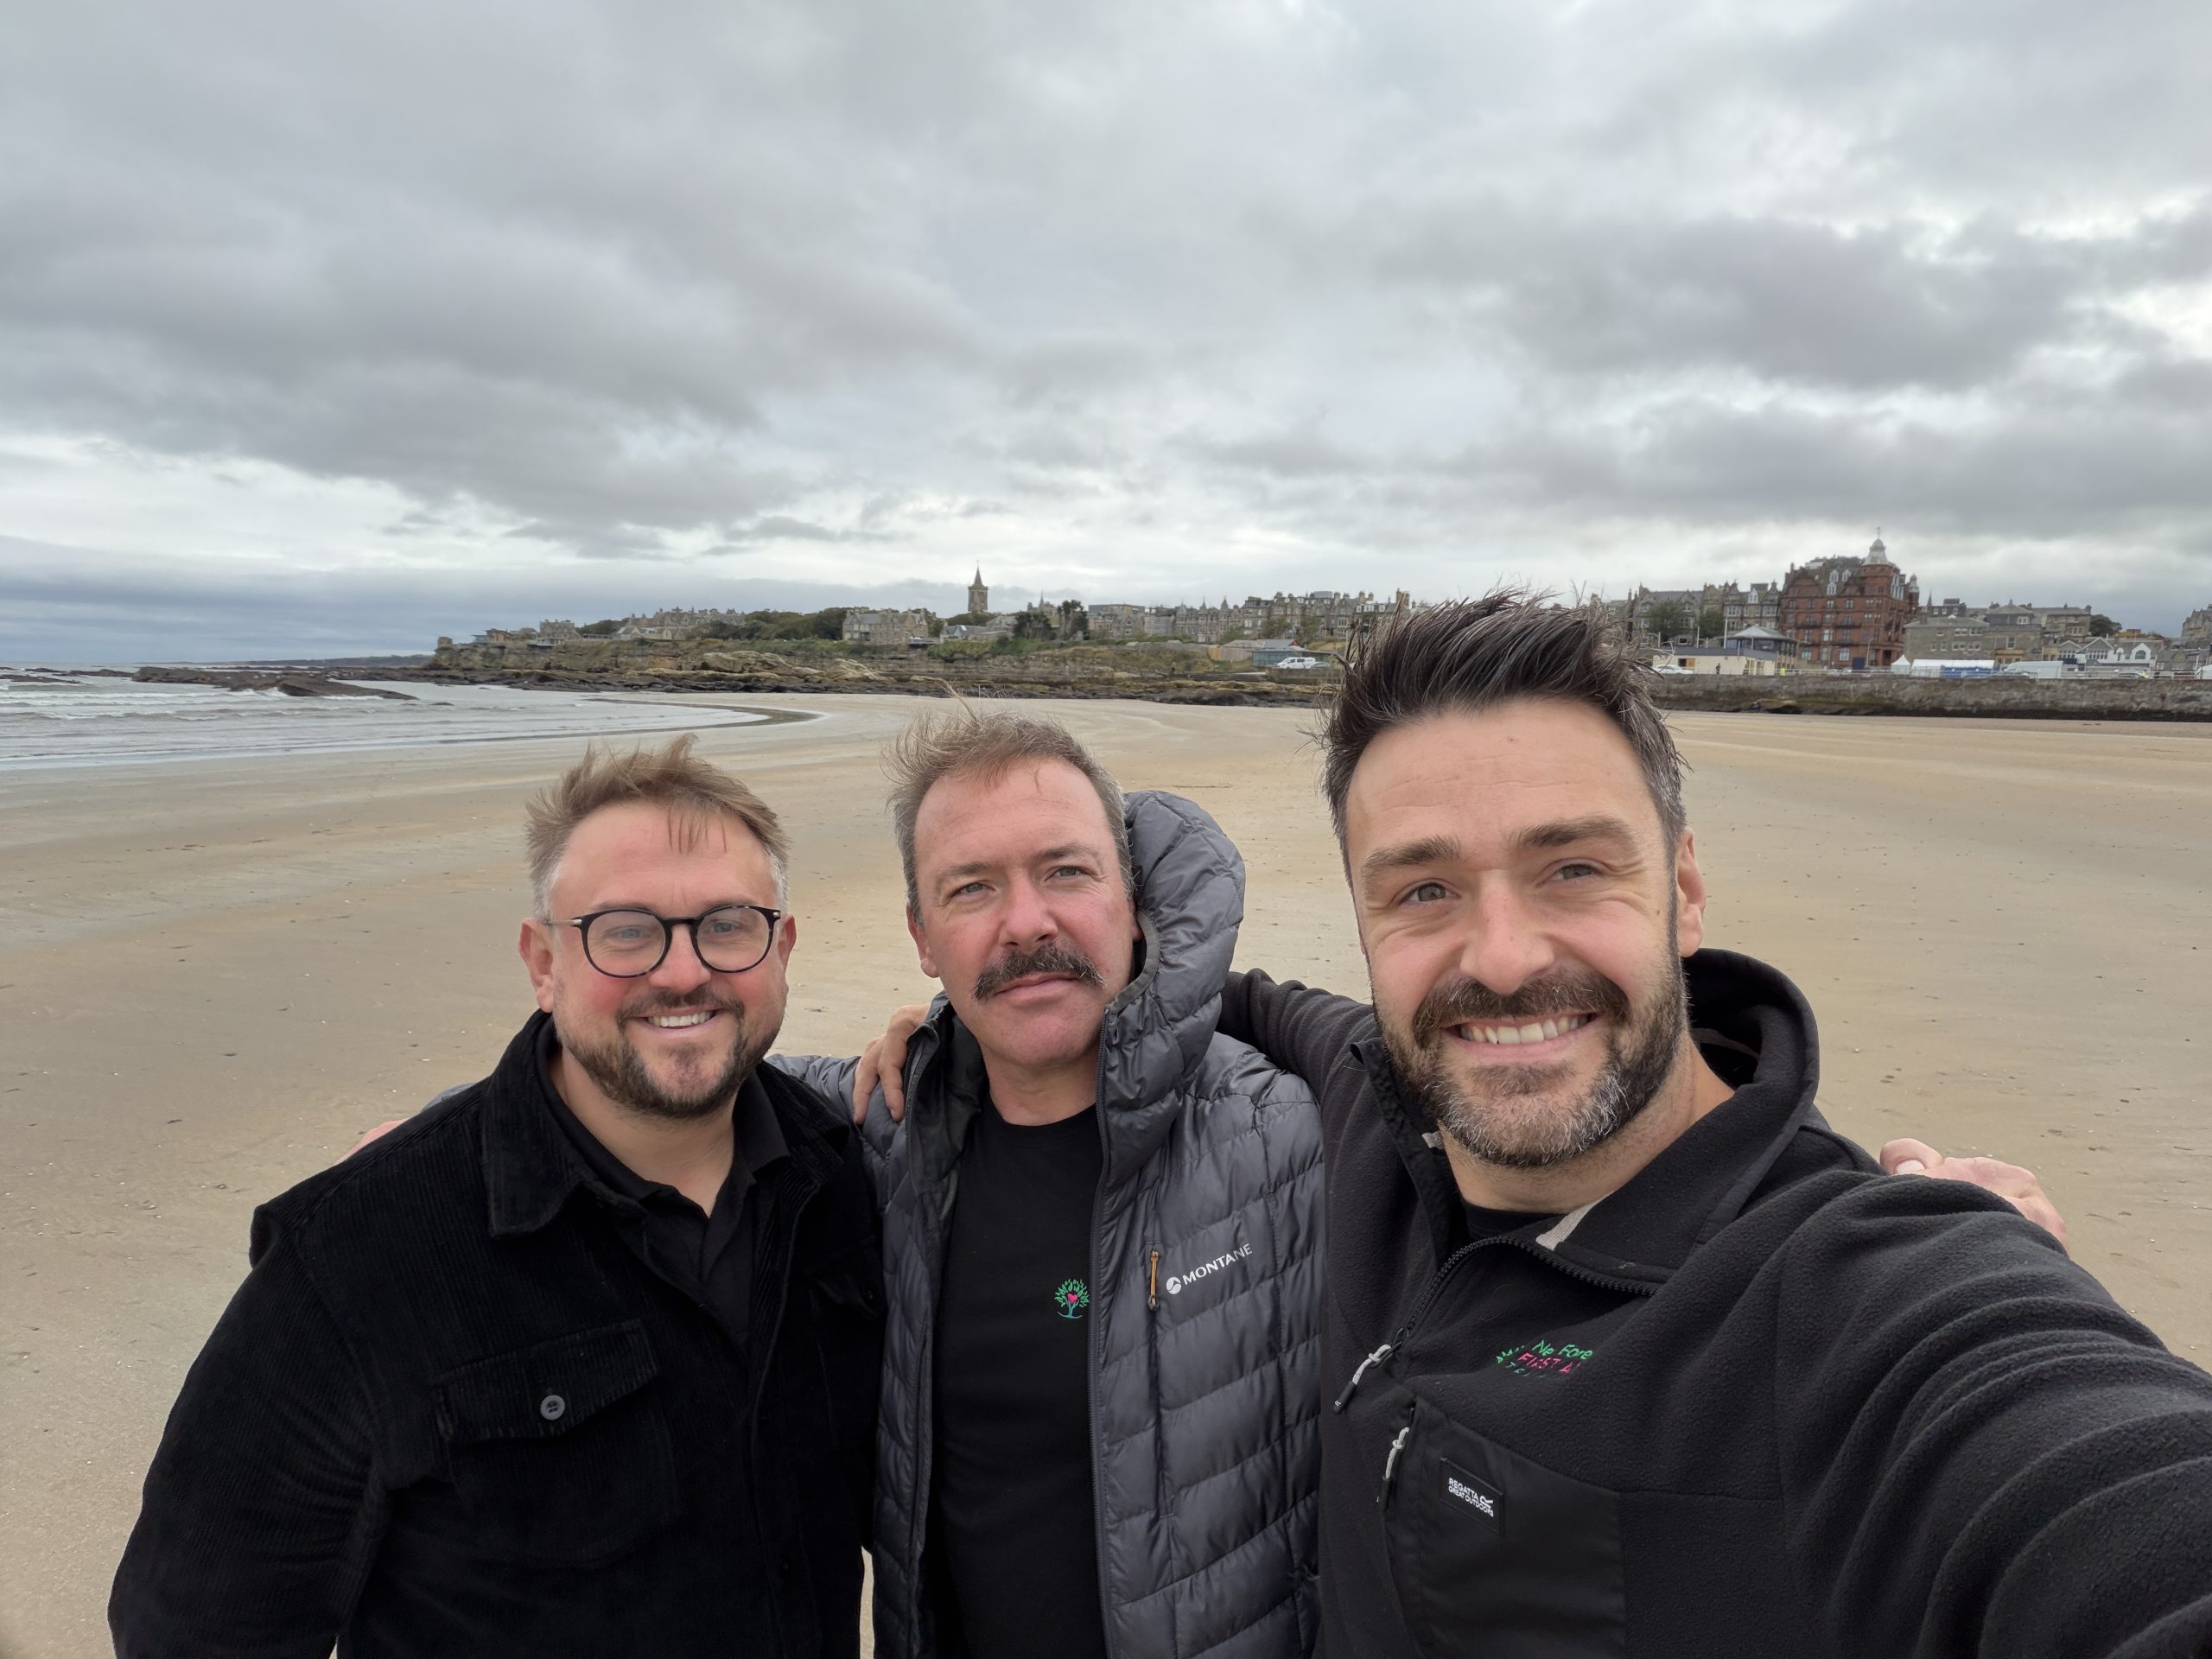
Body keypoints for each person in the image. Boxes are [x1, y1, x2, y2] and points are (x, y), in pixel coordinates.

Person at [1199, 595, 2212, 1656]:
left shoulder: (1856, 1295)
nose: (1498, 958)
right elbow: (1246, 998)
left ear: (1683, 890)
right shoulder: (1372, 1094)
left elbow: (2102, 1483)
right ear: (1366, 921)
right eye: (1423, 889)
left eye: (1574, 869)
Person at [110, 737, 883, 1658]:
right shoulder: (358, 1253)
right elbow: (197, 1628)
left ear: (781, 946)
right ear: (542, 962)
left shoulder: (844, 1180)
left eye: (726, 924)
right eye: (625, 930)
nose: (682, 972)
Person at [778, 712, 1328, 1659]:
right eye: (971, 888)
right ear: (922, 936)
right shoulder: (882, 1140)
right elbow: (676, 1088)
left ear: (1131, 897)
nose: (1026, 920)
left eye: (1066, 873)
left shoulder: (1292, 1138)